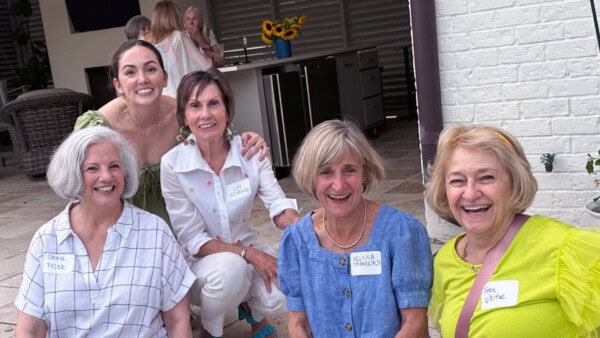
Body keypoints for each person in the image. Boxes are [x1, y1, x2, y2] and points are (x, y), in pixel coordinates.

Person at [14, 126, 196, 337]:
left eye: (114, 166)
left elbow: (177, 320)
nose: (106, 176)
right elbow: (30, 328)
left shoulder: (155, 232)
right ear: (73, 174)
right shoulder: (46, 240)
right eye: (92, 168)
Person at [161, 68, 301, 338]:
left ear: (227, 108)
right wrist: (250, 255)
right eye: (195, 106)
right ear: (184, 115)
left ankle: (254, 311)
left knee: (291, 286)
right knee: (231, 270)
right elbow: (192, 239)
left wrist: (306, 227)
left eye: (214, 103)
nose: (205, 114)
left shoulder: (250, 152)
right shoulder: (173, 164)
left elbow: (278, 204)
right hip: (201, 266)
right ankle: (210, 330)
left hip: (245, 247)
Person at [425, 124, 600, 337]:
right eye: (457, 181)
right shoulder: (445, 260)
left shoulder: (566, 250)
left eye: (486, 177)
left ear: (514, 183)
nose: (470, 193)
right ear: (444, 189)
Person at [74, 39, 267, 225]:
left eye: (151, 69)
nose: (142, 79)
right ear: (118, 85)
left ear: (164, 77)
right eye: (130, 72)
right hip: (123, 225)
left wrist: (249, 141)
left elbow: (219, 144)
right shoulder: (97, 128)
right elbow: (82, 187)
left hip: (186, 224)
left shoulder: (185, 116)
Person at [278, 119, 433, 337]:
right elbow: (298, 323)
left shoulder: (401, 233)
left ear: (364, 173)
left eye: (349, 170)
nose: (339, 185)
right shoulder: (296, 241)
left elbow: (415, 322)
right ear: (311, 176)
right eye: (326, 172)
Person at [144, 0, 212, 98]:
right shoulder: (178, 37)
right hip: (176, 97)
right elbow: (206, 64)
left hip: (153, 98)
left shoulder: (143, 40)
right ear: (175, 17)